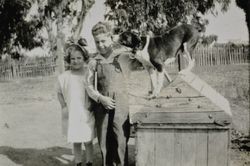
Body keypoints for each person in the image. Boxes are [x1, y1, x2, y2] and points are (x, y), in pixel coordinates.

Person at [86, 21, 136, 166]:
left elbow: (141, 65)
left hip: (121, 103)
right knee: (104, 138)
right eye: (97, 42)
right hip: (102, 105)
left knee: (120, 137)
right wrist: (100, 98)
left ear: (110, 38)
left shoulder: (123, 56)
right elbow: (88, 85)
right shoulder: (94, 62)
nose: (101, 45)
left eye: (103, 41)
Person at [56, 40, 94, 166]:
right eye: (73, 58)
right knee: (76, 139)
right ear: (68, 59)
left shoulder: (88, 75)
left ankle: (89, 161)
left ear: (84, 59)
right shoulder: (64, 77)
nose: (76, 61)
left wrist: (91, 105)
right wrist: (64, 106)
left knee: (88, 140)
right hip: (72, 113)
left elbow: (93, 91)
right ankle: (78, 162)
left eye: (79, 58)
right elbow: (59, 92)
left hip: (86, 111)